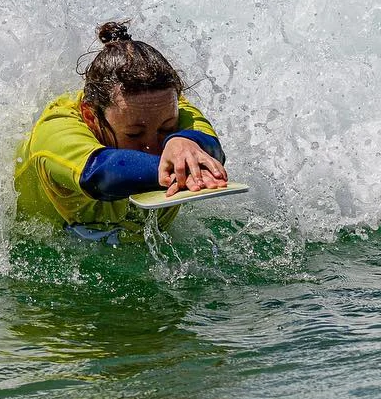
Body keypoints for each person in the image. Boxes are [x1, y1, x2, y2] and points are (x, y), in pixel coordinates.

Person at [14, 21, 228, 239]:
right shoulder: (56, 130)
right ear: (91, 117)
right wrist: (179, 168)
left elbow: (214, 151)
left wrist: (183, 141)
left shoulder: (169, 108)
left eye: (166, 129)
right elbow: (101, 174)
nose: (154, 147)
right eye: (134, 134)